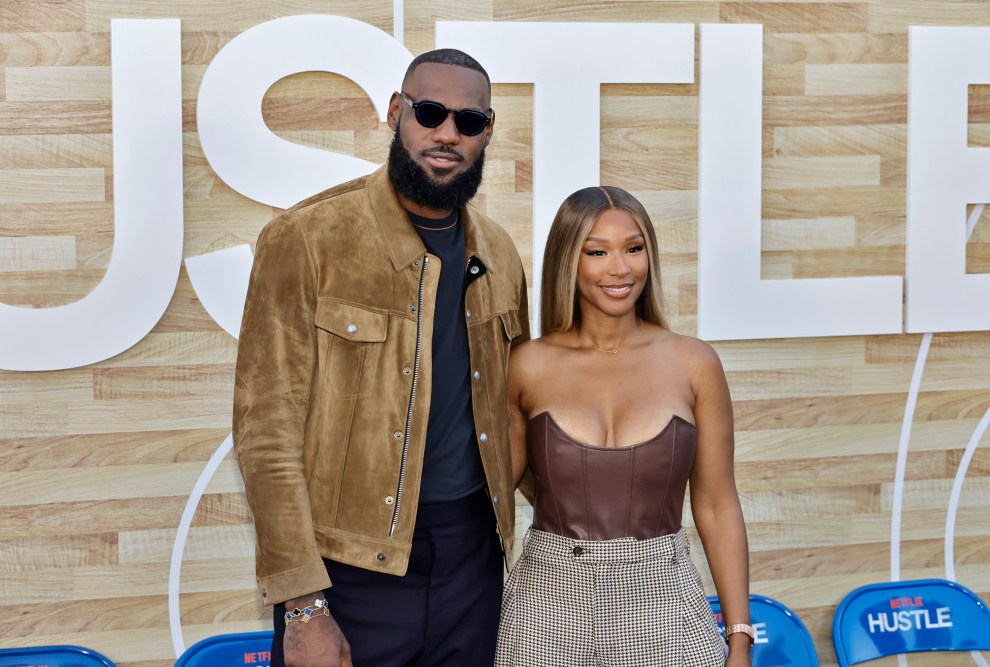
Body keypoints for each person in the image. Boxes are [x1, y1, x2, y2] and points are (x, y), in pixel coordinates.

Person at [232, 48, 529, 667]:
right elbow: (266, 434)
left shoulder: (500, 254)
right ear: (397, 112)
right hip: (347, 571)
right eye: (430, 112)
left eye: (469, 121)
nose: (447, 134)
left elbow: (519, 411)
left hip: (473, 563)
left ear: (488, 131)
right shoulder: (307, 239)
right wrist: (303, 606)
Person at [497, 186, 752, 666]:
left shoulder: (695, 363)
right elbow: (490, 501)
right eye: (598, 252)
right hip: (545, 608)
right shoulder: (526, 365)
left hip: (665, 604)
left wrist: (739, 637)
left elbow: (718, 505)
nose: (621, 268)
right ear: (569, 260)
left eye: (634, 249)